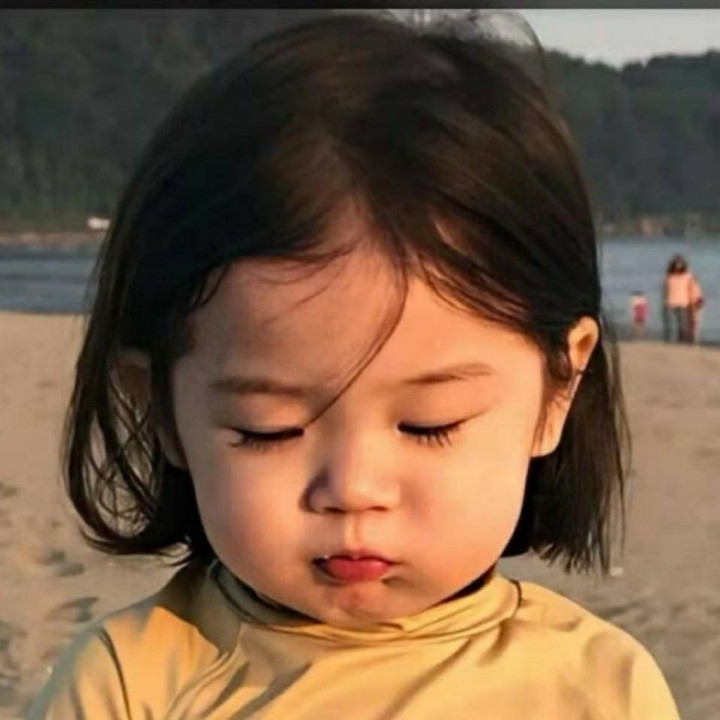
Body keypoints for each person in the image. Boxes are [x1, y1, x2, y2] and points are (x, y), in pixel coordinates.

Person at [28, 12, 680, 719]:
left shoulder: (601, 688)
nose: (353, 491)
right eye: (269, 429)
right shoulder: (128, 685)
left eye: (429, 425)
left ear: (557, 390)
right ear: (162, 409)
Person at [663, 254, 703, 343]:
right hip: (669, 302)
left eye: (680, 263)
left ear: (683, 264)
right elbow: (665, 289)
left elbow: (693, 288)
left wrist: (696, 300)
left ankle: (681, 341)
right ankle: (668, 341)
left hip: (683, 303)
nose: (678, 265)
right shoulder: (668, 275)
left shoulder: (688, 275)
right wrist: (664, 301)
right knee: (669, 326)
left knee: (682, 326)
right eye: (676, 263)